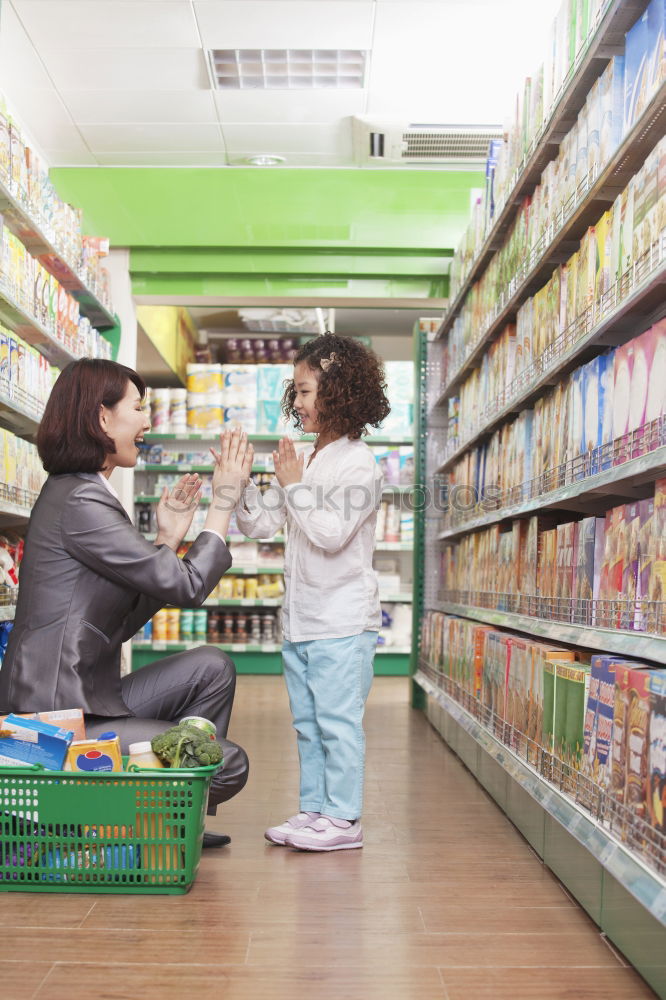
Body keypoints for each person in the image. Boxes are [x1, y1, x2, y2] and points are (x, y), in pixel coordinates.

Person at [0, 358, 253, 848]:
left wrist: (164, 540)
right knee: (226, 761)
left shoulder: (82, 493)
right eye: (138, 407)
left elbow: (116, 623)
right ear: (101, 418)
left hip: (89, 703)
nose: (147, 421)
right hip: (55, 723)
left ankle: (168, 820)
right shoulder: (81, 502)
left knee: (210, 667)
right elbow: (187, 587)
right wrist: (222, 503)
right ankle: (117, 819)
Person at [235, 333, 390, 851]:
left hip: (343, 621)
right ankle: (314, 810)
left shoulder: (357, 463)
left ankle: (344, 820)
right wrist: (234, 489)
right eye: (295, 392)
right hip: (301, 621)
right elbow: (261, 528)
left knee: (338, 723)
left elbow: (330, 534)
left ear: (338, 393)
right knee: (308, 724)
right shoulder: (307, 459)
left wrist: (293, 483)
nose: (296, 403)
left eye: (304, 392)